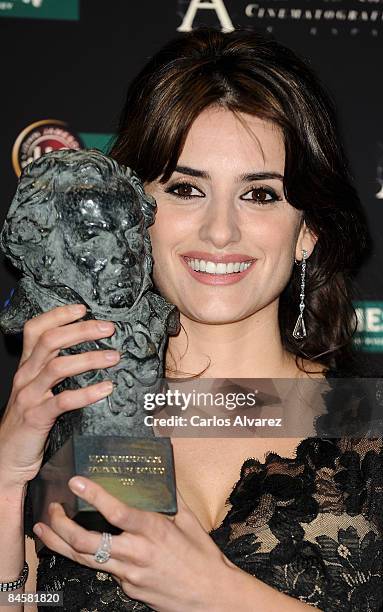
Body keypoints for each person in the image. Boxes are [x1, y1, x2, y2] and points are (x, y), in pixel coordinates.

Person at [0, 27, 382, 612]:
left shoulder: (371, 428)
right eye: (186, 189)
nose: (220, 232)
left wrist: (218, 596)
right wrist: (7, 478)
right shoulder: (64, 420)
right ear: (135, 212)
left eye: (260, 195)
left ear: (308, 231)